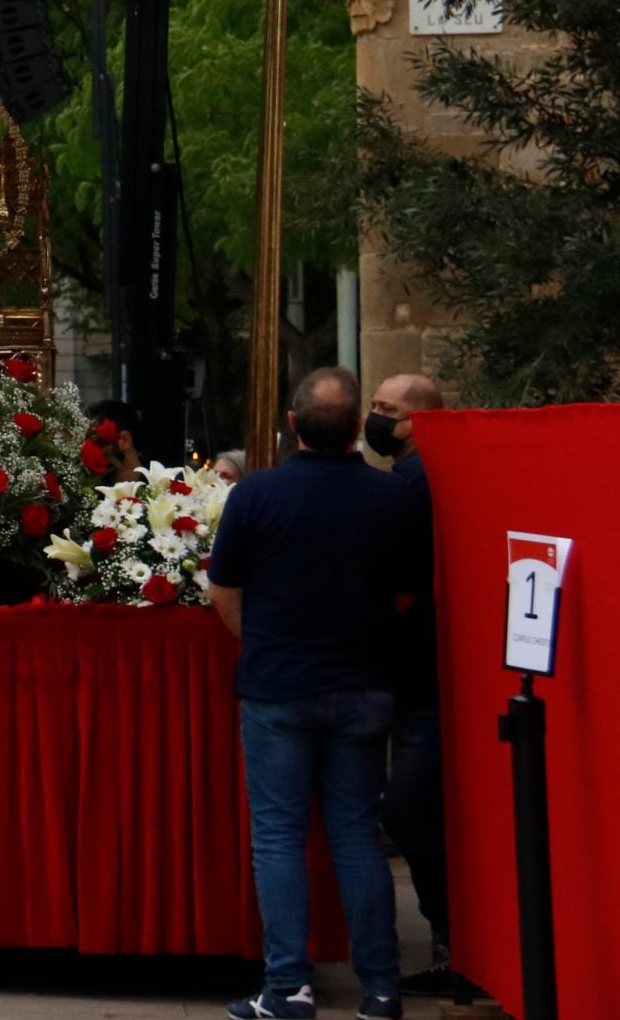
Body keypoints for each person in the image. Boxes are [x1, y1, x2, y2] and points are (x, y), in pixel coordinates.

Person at [206, 368, 406, 1020]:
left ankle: (288, 985)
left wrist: (261, 641)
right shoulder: (388, 497)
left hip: (278, 686)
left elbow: (223, 589)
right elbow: (407, 592)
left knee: (280, 835)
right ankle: (380, 987)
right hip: (364, 683)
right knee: (356, 833)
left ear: (292, 424)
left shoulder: (257, 493)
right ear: (357, 427)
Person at [367, 372, 456, 999]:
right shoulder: (412, 480)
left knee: (408, 809)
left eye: (387, 410)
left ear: (418, 421)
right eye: (373, 406)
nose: (375, 418)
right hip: (410, 679)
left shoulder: (417, 486)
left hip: (424, 680)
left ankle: (456, 939)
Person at [86, 398, 145, 476]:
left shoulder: (161, 483)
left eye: (98, 442)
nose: (88, 447)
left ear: (125, 440)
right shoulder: (87, 485)